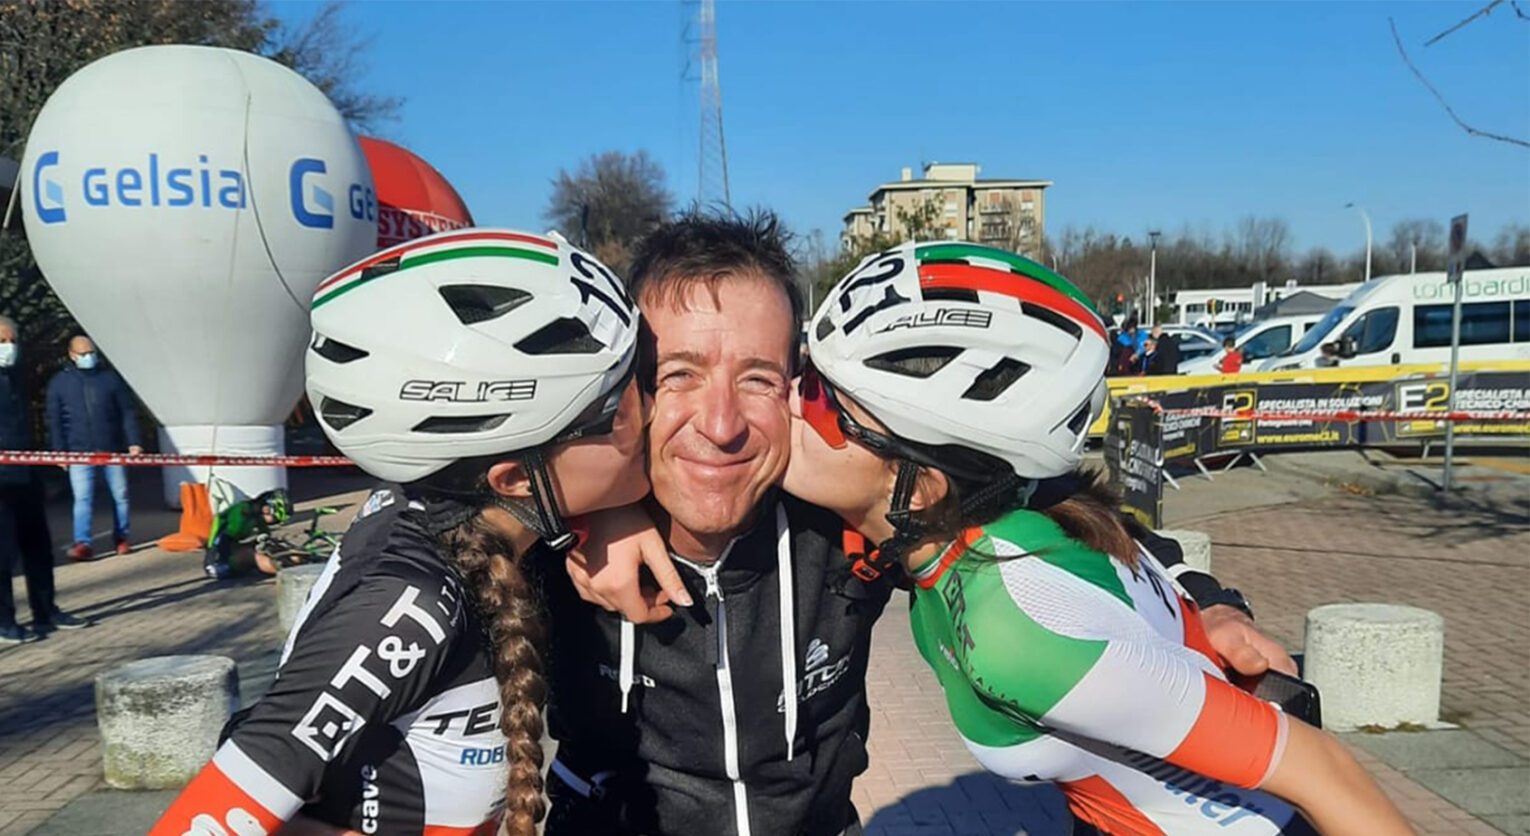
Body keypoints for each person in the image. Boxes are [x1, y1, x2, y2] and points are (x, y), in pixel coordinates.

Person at [549, 220, 1299, 836]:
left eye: (758, 379)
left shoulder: (841, 517)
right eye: (678, 374)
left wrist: (1206, 602)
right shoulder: (554, 532)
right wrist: (584, 517)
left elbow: (1053, 500)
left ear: (798, 387)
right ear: (630, 389)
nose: (720, 426)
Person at [784, 241, 1412, 835]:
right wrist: (1210, 599)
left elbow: (1325, 772)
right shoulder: (1005, 513)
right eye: (802, 371)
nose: (786, 400)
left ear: (920, 487)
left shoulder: (1013, 628)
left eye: (819, 400)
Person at [150, 230, 646, 836]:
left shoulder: (463, 513)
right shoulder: (411, 606)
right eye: (622, 411)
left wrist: (621, 514)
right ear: (514, 479)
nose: (656, 414)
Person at [0, 316, 89, 645]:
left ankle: (45, 610)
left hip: (26, 475)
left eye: (12, 341)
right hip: (1, 483)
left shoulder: (15, 377)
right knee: (3, 555)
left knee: (38, 547)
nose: (8, 348)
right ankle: (4, 621)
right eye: (1, 342)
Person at [44, 335, 142, 560]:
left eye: (91, 352)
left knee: (120, 495)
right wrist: (59, 451)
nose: (88, 357)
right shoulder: (60, 383)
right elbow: (54, 420)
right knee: (83, 498)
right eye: (83, 354)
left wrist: (134, 441)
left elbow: (126, 411)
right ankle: (83, 542)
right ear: (72, 355)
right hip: (78, 450)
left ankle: (121, 537)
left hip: (111, 447)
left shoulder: (110, 379)